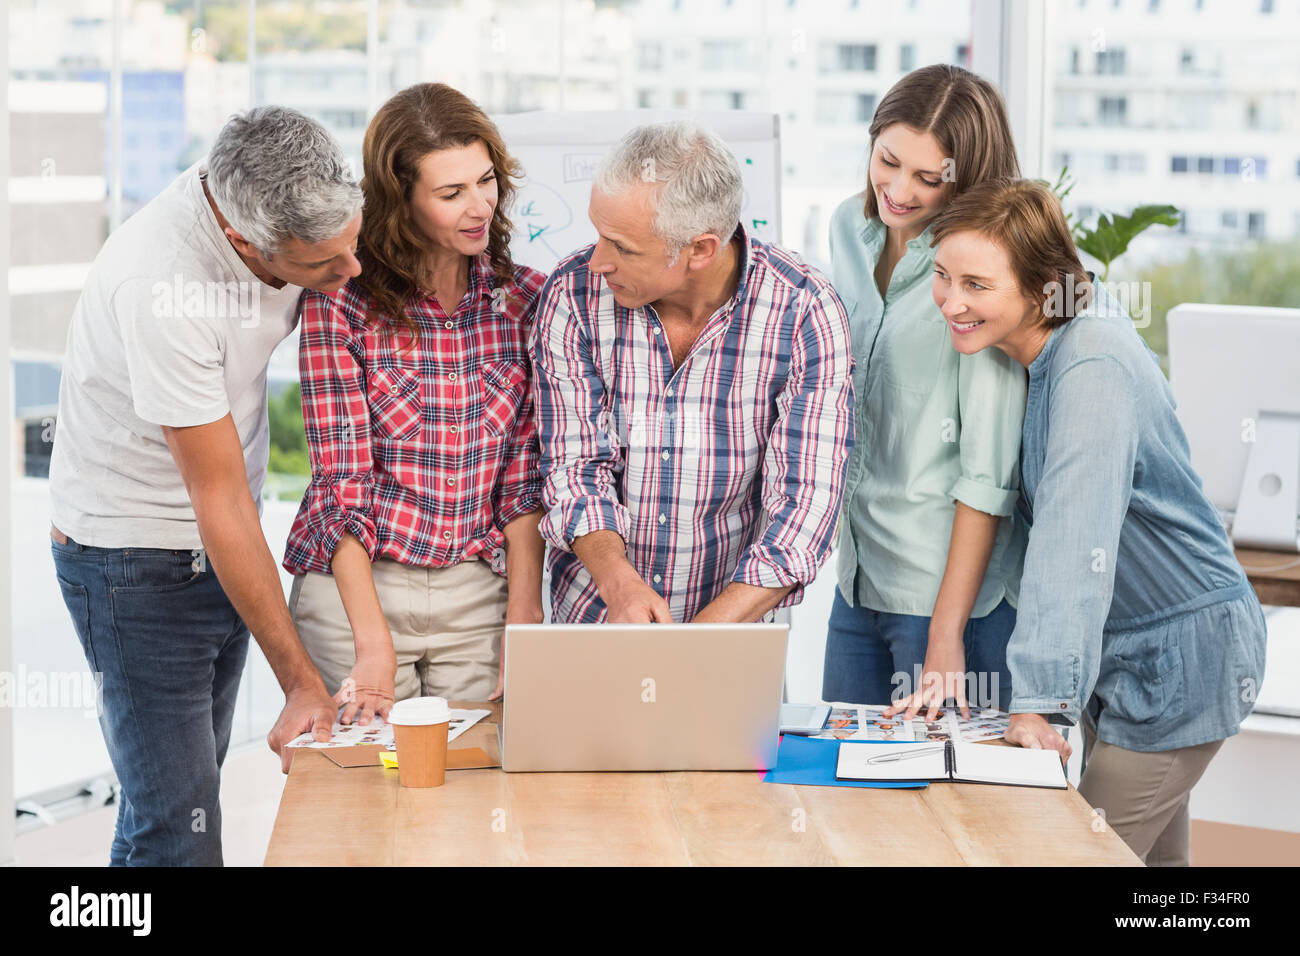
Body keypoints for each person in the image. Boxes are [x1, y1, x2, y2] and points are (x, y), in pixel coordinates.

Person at [48, 107, 362, 866]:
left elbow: (227, 510)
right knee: (179, 832)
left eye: (350, 247)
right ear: (245, 242)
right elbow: (216, 499)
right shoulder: (163, 288)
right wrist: (301, 684)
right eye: (324, 268)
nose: (350, 273)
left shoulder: (285, 198)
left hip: (218, 548)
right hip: (133, 567)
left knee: (173, 802)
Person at [927, 177, 1268, 865]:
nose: (952, 302)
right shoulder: (1056, 333)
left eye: (976, 284)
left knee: (1066, 857)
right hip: (1133, 659)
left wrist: (1040, 703)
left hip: (1182, 663)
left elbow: (1069, 541)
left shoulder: (1090, 365)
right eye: (941, 276)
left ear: (1039, 285)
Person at [283, 83, 546, 718]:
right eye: (451, 193)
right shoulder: (340, 300)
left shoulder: (525, 300)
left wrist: (525, 619)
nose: (479, 206)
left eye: (486, 181)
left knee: (480, 797)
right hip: (357, 594)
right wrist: (373, 647)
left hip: (481, 593)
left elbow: (525, 478)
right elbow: (342, 486)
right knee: (364, 798)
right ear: (401, 201)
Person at [533, 122, 854, 624]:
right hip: (596, 621)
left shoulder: (804, 310)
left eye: (623, 247)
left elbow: (804, 506)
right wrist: (620, 587)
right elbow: (575, 469)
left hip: (731, 630)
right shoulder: (571, 295)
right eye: (599, 235)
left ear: (701, 250)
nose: (598, 261)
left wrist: (696, 643)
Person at [824, 64, 1028, 718]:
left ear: (963, 180)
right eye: (888, 161)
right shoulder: (847, 234)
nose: (899, 190)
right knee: (842, 799)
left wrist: (945, 635)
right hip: (857, 580)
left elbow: (988, 473)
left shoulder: (978, 268)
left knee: (951, 813)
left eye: (928, 178)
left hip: (943, 603)